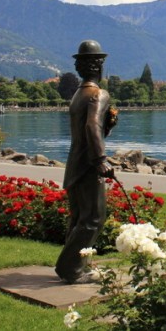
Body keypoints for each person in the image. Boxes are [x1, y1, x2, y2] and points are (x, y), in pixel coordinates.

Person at [55, 40, 116, 284]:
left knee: (80, 217)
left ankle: (78, 266)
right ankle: (69, 268)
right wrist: (101, 159)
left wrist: (107, 126)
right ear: (98, 66)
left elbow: (93, 128)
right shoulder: (99, 94)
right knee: (93, 218)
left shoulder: (78, 94)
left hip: (75, 163)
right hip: (89, 165)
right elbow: (91, 126)